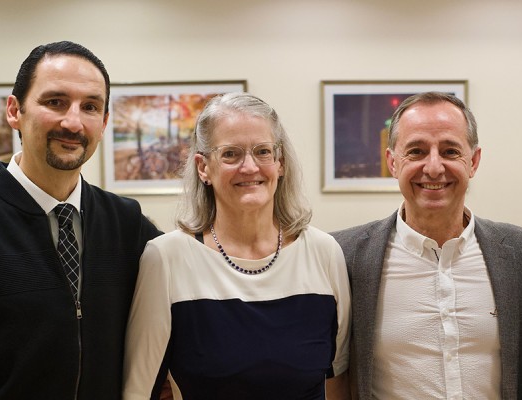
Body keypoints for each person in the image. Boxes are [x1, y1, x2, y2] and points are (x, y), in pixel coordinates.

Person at [0, 41, 161, 399]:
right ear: (15, 111)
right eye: (55, 102)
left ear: (105, 121)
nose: (73, 122)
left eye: (91, 107)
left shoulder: (128, 224)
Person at [123, 92, 351, 400]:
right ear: (203, 168)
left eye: (262, 152)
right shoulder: (166, 258)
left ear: (280, 162)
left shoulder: (324, 253)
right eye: (230, 154)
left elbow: (338, 382)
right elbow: (138, 390)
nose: (249, 167)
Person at [332, 92, 522, 400]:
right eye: (416, 151)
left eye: (450, 151)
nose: (433, 167)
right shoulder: (344, 255)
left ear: (473, 161)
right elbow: (333, 373)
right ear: (392, 162)